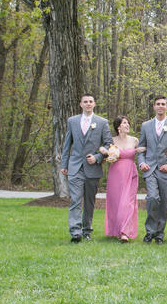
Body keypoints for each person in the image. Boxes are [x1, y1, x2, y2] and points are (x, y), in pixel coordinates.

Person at [61, 93, 112, 243]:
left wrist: (97, 157)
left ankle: (86, 230)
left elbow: (108, 144)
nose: (88, 104)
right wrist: (64, 164)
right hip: (75, 166)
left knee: (89, 201)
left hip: (92, 168)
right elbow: (67, 144)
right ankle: (75, 232)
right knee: (75, 200)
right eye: (85, 101)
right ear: (80, 104)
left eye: (91, 101)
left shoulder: (102, 122)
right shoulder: (72, 121)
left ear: (94, 104)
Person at [138, 95, 167, 244]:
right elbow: (141, 148)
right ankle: (149, 231)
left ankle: (159, 233)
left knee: (163, 202)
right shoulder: (146, 125)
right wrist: (141, 163)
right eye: (158, 104)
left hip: (166, 170)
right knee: (152, 198)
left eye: (163, 104)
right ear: (154, 107)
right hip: (150, 168)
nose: (160, 106)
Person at [101, 115, 142, 242]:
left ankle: (125, 232)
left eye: (128, 123)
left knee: (128, 203)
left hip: (130, 174)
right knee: (117, 203)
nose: (128, 125)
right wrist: (103, 150)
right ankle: (117, 229)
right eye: (125, 123)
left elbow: (143, 152)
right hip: (115, 175)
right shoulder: (111, 141)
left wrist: (141, 150)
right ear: (118, 127)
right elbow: (103, 153)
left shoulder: (135, 140)